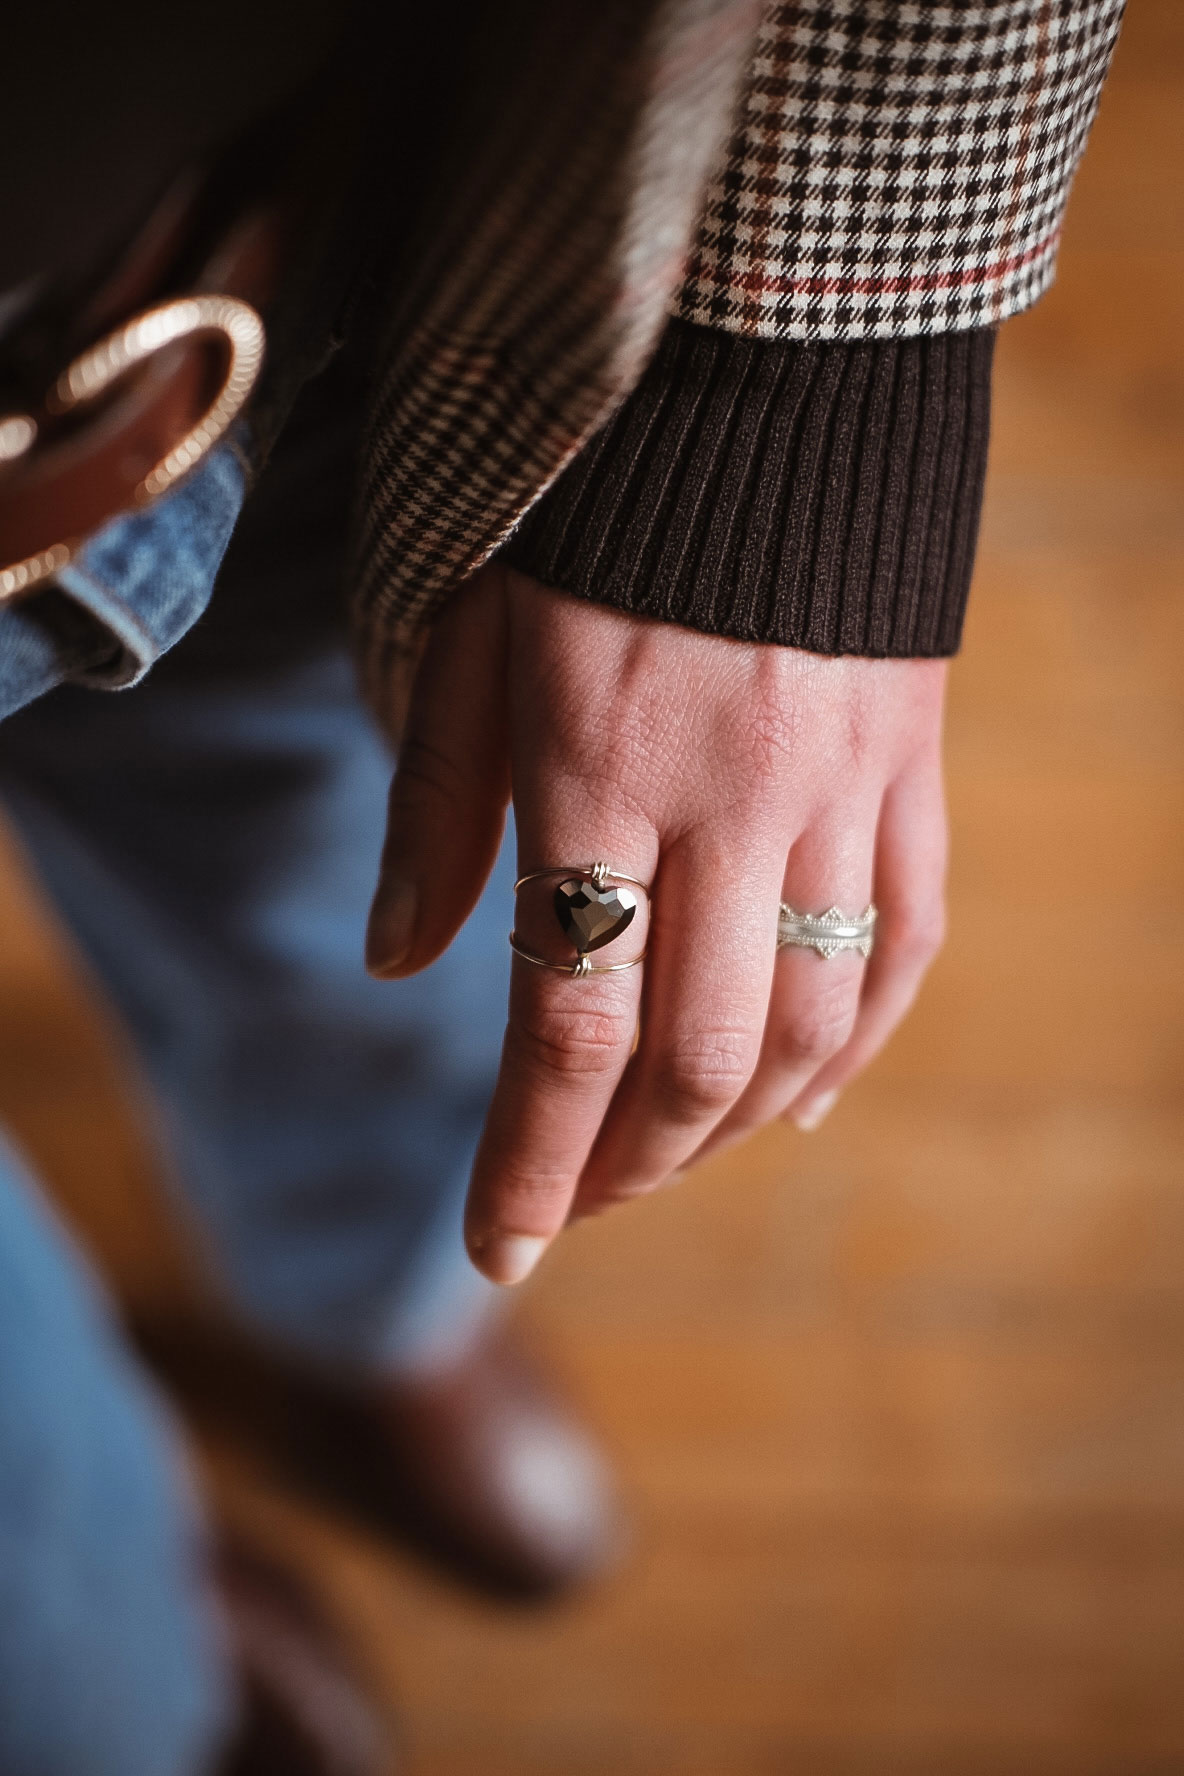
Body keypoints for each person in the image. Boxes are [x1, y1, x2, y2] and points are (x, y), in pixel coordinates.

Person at [0, 1, 1124, 1770]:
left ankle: (367, 1299)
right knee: (73, 1666)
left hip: (216, 303)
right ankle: (117, 1642)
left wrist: (796, 382)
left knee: (346, 890)